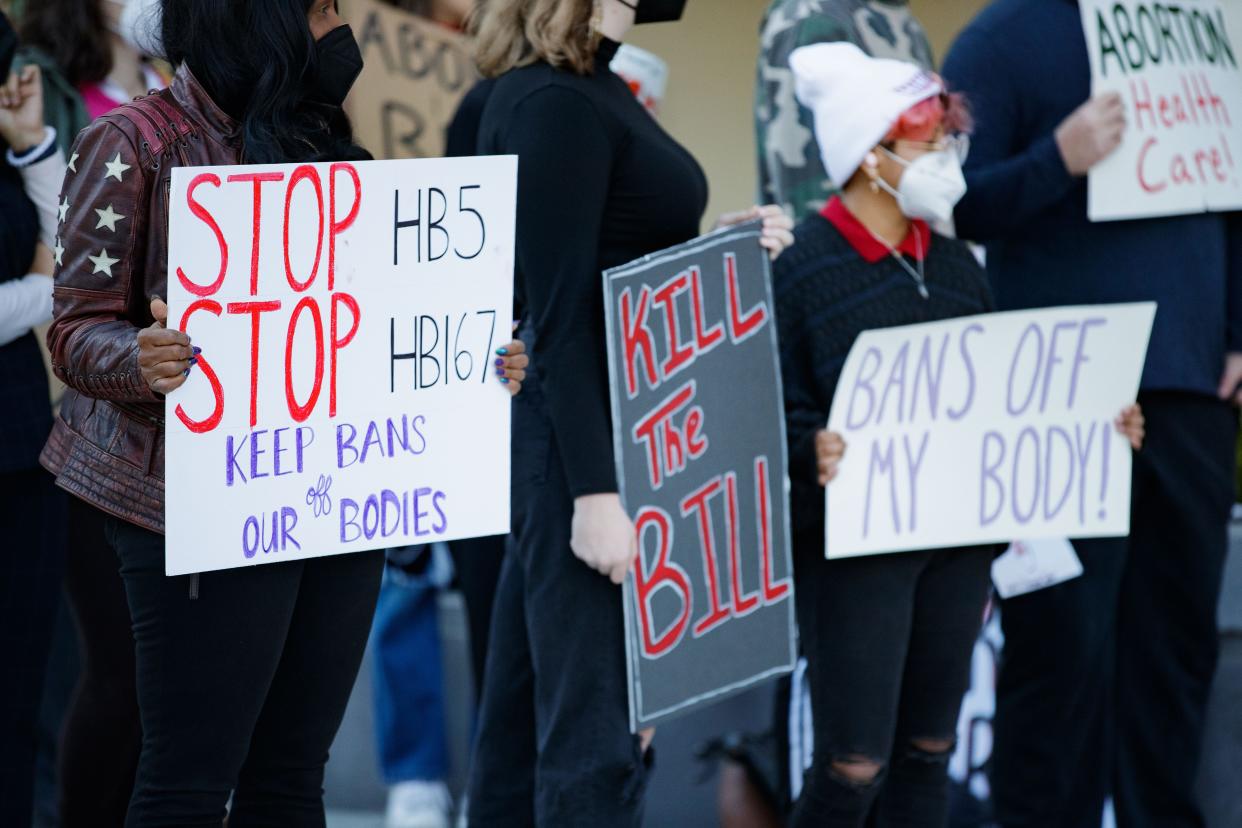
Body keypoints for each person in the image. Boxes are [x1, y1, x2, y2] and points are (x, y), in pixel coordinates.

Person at [40, 2, 528, 823]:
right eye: (322, 8)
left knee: (296, 770)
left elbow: (369, 314)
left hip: (331, 498)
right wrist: (142, 360)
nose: (341, 29)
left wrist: (472, 356)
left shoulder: (317, 137)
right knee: (191, 777)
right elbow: (77, 325)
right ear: (256, 17)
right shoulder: (132, 140)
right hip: (181, 503)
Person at [775, 43, 1146, 827]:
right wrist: (812, 449)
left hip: (954, 550)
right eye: (930, 140)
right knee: (852, 765)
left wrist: (1096, 424)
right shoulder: (800, 269)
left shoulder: (956, 269)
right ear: (871, 155)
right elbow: (771, 410)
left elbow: (1001, 398)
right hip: (852, 557)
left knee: (928, 754)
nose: (947, 155)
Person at [463, 0, 794, 824]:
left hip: (616, 429)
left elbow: (607, 270)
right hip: (585, 446)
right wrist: (596, 496)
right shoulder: (552, 102)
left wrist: (714, 253)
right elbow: (563, 309)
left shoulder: (584, 88)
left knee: (524, 721)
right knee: (595, 741)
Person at [942, 3, 1242, 827]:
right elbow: (946, 202)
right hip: (1058, 396)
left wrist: (1239, 330)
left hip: (1188, 393)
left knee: (1175, 651)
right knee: (1059, 650)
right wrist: (1058, 160)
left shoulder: (1198, 29)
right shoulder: (1001, 37)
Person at [0, 12, 67, 824]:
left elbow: (75, 243)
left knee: (20, 699)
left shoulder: (10, 147)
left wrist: (31, 142)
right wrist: (49, 284)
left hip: (22, 448)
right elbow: (61, 280)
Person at [756, 0, 933, 223]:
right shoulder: (814, 16)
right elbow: (806, 190)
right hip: (849, 248)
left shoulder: (899, 15)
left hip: (909, 246)